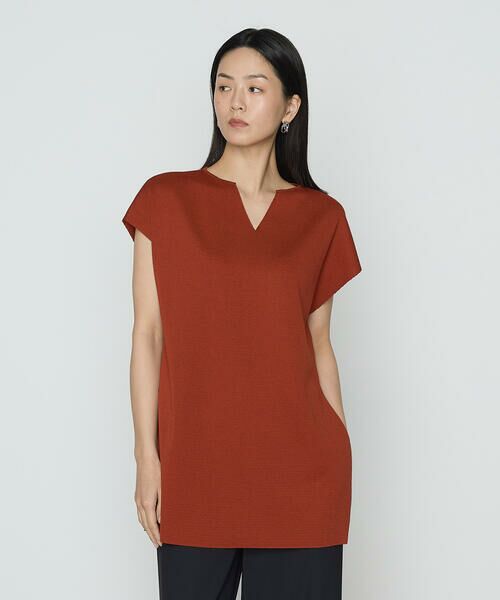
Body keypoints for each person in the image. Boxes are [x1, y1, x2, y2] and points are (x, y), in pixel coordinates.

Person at [121, 27, 362, 600]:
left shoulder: (321, 216)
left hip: (303, 475)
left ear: (290, 107)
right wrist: (147, 459)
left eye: (255, 88)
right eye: (224, 86)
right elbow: (147, 336)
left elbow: (319, 346)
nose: (235, 101)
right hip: (196, 471)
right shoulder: (165, 199)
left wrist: (339, 453)